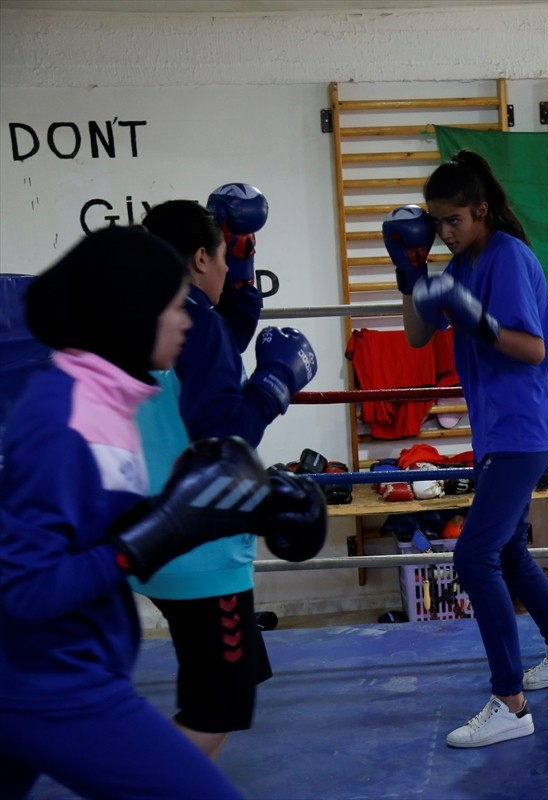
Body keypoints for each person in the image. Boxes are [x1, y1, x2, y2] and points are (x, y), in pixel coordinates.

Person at [0, 226, 245, 799]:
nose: (186, 318)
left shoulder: (102, 401)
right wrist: (149, 535)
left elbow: (93, 538)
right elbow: (26, 589)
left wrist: (180, 518)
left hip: (49, 668)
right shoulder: (69, 419)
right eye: (171, 304)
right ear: (132, 311)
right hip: (50, 679)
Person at [385, 149, 548, 748]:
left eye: (454, 221)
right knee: (507, 554)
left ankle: (510, 702)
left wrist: (482, 324)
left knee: (475, 557)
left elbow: (533, 350)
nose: (444, 232)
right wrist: (410, 274)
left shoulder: (508, 258)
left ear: (481, 209)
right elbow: (419, 335)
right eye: (435, 222)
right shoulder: (462, 264)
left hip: (522, 427)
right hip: (498, 430)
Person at [131, 193, 320, 760]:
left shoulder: (149, 318)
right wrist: (275, 386)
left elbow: (215, 350)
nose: (231, 266)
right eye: (223, 256)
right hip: (202, 557)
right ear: (198, 259)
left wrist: (238, 267)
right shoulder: (198, 326)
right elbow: (222, 438)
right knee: (220, 701)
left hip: (152, 541)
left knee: (218, 685)